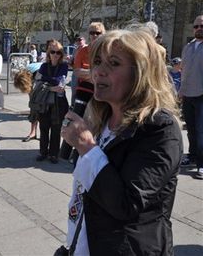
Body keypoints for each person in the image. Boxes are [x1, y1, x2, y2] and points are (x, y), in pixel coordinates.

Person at [59, 29, 182, 255]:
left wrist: (86, 147)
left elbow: (127, 203)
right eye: (97, 62)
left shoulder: (160, 129)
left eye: (113, 63)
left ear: (140, 74)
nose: (99, 72)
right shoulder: (101, 119)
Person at [35, 40, 69, 163]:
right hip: (44, 101)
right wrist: (50, 87)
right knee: (44, 127)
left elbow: (59, 81)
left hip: (59, 103)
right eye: (53, 52)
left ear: (61, 54)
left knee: (56, 128)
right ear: (49, 54)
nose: (55, 55)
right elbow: (38, 82)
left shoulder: (64, 66)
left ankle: (54, 154)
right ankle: (43, 152)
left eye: (58, 52)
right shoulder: (44, 66)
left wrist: (45, 79)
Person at [179, 15, 203, 178]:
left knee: (202, 131)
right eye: (196, 26)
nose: (198, 28)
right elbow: (184, 70)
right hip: (188, 93)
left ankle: (201, 163)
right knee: (191, 130)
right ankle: (193, 156)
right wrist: (181, 89)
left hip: (202, 95)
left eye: (201, 25)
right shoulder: (188, 47)